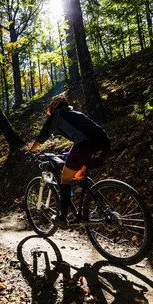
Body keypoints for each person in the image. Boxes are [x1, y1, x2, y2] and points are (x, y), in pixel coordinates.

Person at [26, 97, 110, 227]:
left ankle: (62, 218)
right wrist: (69, 153)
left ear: (54, 107)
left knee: (65, 178)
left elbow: (43, 135)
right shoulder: (75, 114)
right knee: (80, 175)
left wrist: (31, 151)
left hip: (85, 144)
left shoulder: (57, 115)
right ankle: (101, 209)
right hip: (103, 141)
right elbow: (84, 133)